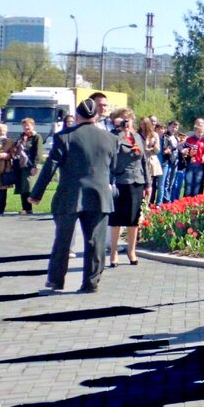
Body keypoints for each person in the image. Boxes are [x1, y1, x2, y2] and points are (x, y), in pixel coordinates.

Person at [31, 98, 119, 294]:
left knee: (63, 239)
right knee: (95, 241)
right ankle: (91, 282)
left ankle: (56, 280)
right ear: (96, 116)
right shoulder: (111, 139)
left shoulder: (64, 137)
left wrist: (36, 194)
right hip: (100, 196)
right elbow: (113, 168)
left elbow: (50, 167)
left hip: (70, 195)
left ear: (77, 116)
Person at [108, 108, 149, 268]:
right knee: (117, 218)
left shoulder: (137, 137)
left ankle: (132, 251)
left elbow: (144, 160)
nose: (127, 122)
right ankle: (114, 252)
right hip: (120, 180)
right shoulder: (113, 136)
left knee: (133, 219)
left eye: (129, 119)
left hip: (136, 180)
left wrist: (148, 183)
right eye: (123, 119)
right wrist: (120, 131)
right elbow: (113, 154)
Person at [11, 118, 43, 215]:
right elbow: (15, 149)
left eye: (28, 125)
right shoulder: (21, 137)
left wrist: (35, 166)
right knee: (22, 187)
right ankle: (25, 208)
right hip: (20, 166)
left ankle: (29, 208)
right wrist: (21, 142)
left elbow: (38, 152)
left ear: (32, 126)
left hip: (30, 166)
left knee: (28, 186)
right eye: (24, 126)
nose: (26, 127)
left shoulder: (37, 137)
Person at [181, 118, 204, 197]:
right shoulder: (189, 140)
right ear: (195, 131)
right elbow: (183, 150)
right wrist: (189, 154)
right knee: (188, 185)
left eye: (202, 132)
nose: (200, 133)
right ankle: (185, 202)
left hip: (200, 166)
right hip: (190, 165)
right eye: (198, 132)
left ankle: (194, 203)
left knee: (197, 185)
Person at [140, 118, 163, 205]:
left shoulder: (154, 135)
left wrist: (153, 145)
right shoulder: (138, 135)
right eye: (141, 124)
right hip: (141, 160)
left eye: (144, 124)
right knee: (141, 184)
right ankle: (141, 202)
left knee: (150, 184)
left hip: (151, 161)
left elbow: (158, 151)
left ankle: (147, 203)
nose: (142, 126)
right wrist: (146, 147)